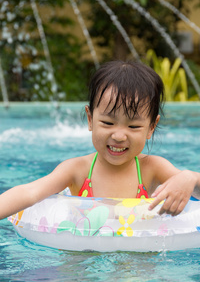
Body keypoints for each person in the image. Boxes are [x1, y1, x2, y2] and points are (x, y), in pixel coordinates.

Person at [0, 60, 200, 220]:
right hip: (84, 267)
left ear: (151, 127)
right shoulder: (77, 170)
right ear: (90, 119)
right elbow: (30, 193)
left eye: (133, 126)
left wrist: (190, 178)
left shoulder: (153, 169)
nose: (119, 136)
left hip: (137, 268)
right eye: (107, 123)